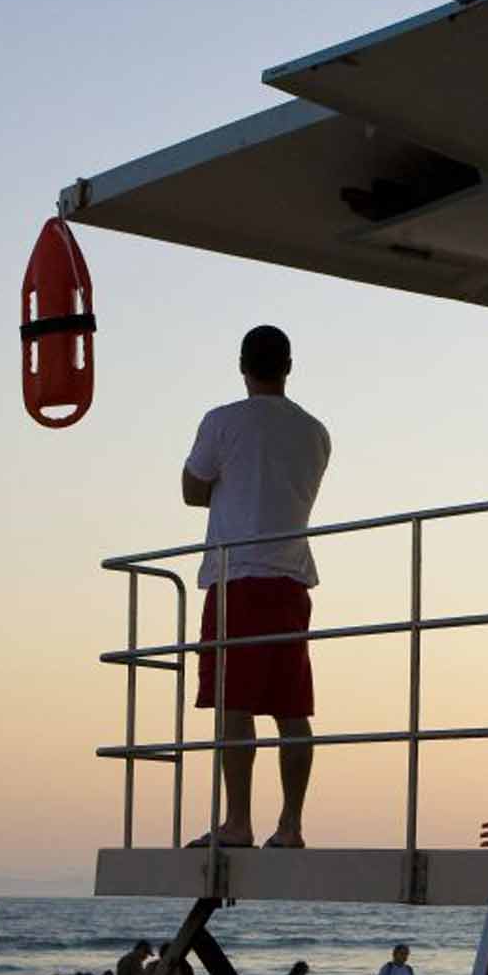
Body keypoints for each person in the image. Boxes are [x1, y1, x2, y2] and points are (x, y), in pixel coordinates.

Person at [182, 324, 332, 850]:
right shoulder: (315, 432)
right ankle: (290, 825)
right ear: (288, 367)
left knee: (234, 705)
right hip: (290, 578)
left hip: (237, 577)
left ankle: (238, 821)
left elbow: (191, 490)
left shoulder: (222, 422)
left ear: (242, 365)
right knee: (292, 709)